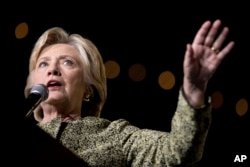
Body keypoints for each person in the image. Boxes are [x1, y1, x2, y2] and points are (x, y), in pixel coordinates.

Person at [23, 19, 234, 166]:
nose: (52, 69)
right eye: (43, 64)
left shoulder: (115, 136)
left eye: (67, 62)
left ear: (88, 88)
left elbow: (178, 151)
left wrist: (193, 89)